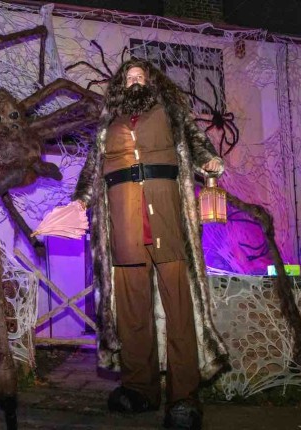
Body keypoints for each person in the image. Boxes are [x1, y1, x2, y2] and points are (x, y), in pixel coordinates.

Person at [72, 58, 229, 429]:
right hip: (123, 222)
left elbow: (198, 145)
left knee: (180, 310)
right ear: (120, 86)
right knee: (131, 312)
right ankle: (139, 389)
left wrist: (210, 161)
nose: (135, 81)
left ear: (152, 82)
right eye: (129, 78)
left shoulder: (171, 112)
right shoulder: (108, 123)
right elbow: (92, 170)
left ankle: (184, 398)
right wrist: (79, 202)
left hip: (167, 218)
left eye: (140, 76)